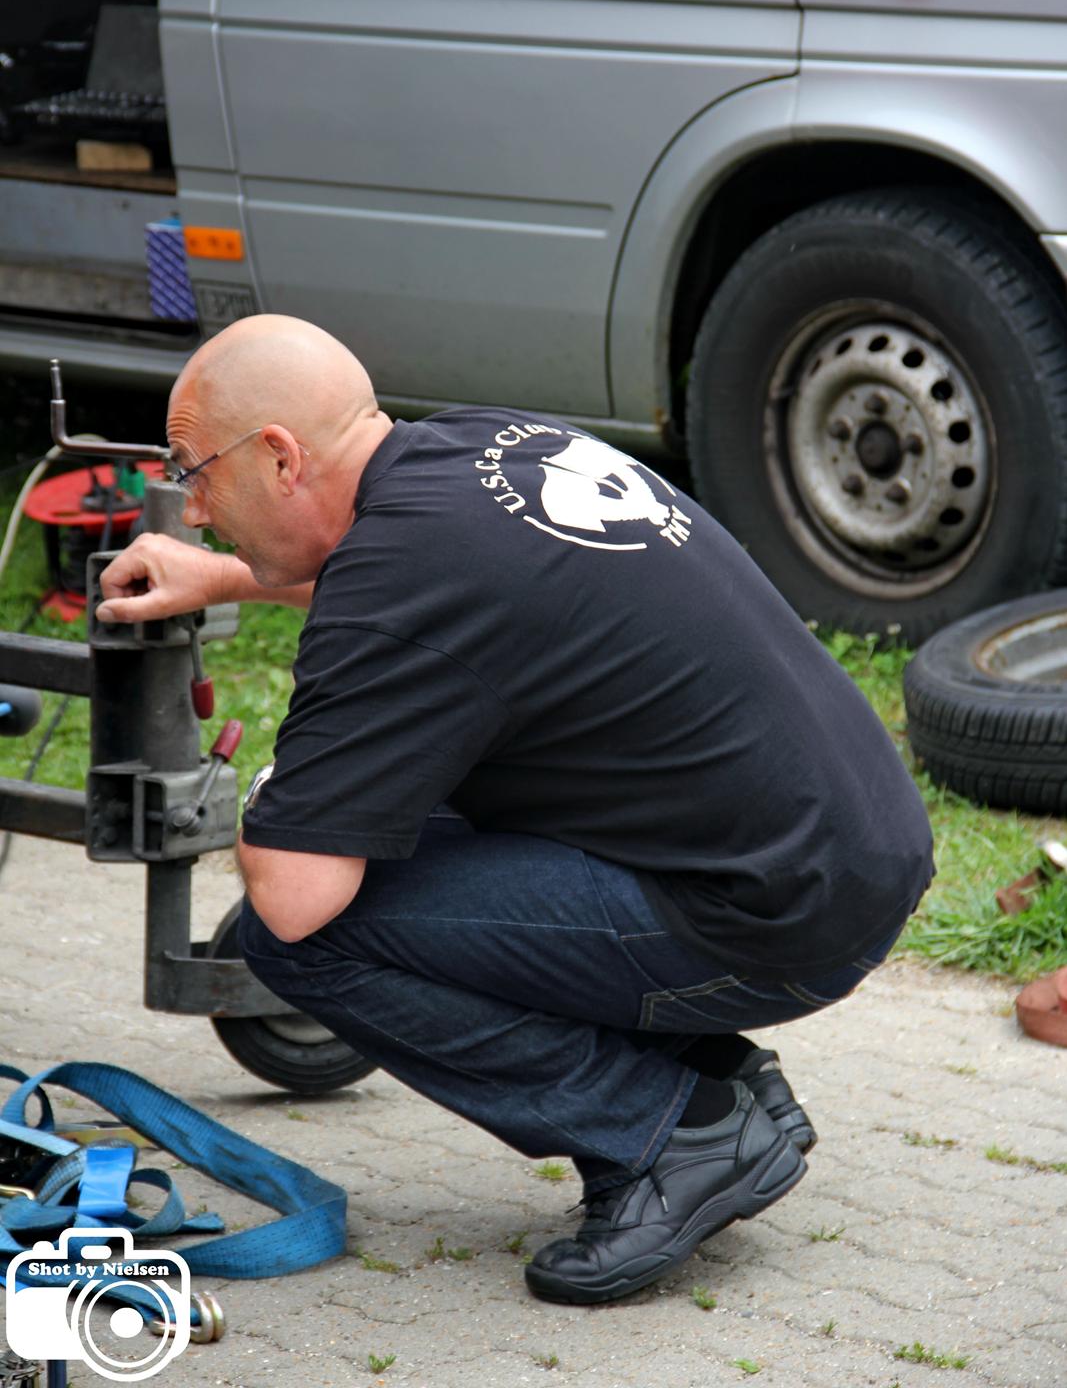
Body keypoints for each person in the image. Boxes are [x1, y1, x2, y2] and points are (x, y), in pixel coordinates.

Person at [98, 313, 933, 1306]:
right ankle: (718, 1081)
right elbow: (421, 592)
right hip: (843, 850)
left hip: (772, 917)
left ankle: (670, 1135)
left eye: (195, 473)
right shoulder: (470, 446)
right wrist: (230, 577)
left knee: (299, 938)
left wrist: (281, 791)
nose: (193, 512)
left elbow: (292, 891)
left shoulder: (397, 579)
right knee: (406, 833)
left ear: (279, 456)